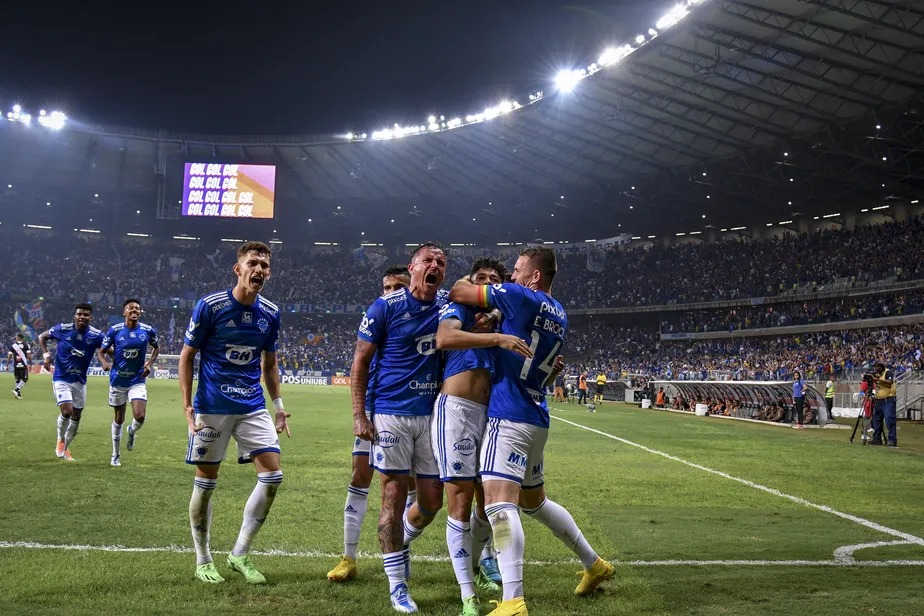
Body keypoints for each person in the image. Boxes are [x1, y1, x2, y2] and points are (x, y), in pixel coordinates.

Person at [450, 246, 614, 616]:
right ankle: (594, 564)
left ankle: (513, 600)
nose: (512, 275)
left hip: (509, 415)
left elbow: (459, 291)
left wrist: (484, 291)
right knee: (534, 502)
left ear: (535, 275)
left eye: (518, 269)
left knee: (498, 504)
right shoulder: (560, 313)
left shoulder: (519, 295)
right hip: (537, 414)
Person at [180, 241, 290, 585]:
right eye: (253, 263)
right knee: (206, 483)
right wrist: (188, 407)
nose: (259, 270)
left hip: (251, 404)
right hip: (212, 406)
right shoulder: (210, 306)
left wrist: (279, 406)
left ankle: (239, 553)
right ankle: (203, 559)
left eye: (264, 265)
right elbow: (187, 357)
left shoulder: (270, 312)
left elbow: (269, 364)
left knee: (273, 476)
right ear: (238, 268)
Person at [351, 242, 449, 613]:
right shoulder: (385, 307)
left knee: (432, 502)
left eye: (441, 262)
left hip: (431, 415)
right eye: (428, 260)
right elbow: (361, 362)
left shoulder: (448, 307)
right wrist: (360, 415)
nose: (435, 265)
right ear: (412, 267)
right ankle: (397, 585)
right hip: (391, 413)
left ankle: (400, 542)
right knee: (392, 494)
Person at [434, 257, 529, 615]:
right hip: (456, 411)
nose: (487, 282)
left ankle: (481, 564)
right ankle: (467, 596)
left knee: (488, 504)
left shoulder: (501, 316)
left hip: (491, 415)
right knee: (458, 503)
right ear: (472, 282)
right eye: (482, 278)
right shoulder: (460, 307)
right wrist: (496, 336)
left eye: (494, 279)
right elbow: (444, 338)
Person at [328, 266, 413, 583]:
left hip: (409, 413)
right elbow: (360, 365)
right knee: (360, 475)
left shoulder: (419, 320)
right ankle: (348, 558)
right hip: (375, 410)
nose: (390, 292)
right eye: (386, 287)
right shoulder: (376, 320)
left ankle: (402, 551)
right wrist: (359, 414)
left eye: (398, 287)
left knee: (409, 487)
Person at [96, 298, 160, 467]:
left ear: (140, 313)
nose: (134, 310)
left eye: (137, 308)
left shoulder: (147, 330)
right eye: (131, 308)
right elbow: (101, 352)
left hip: (137, 380)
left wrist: (149, 364)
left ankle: (132, 431)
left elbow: (156, 347)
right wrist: (104, 362)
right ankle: (115, 454)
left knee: (140, 416)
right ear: (124, 312)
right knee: (119, 418)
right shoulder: (115, 330)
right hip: (118, 380)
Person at [39, 303, 105, 462]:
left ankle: (65, 448)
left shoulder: (96, 335)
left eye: (86, 315)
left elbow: (107, 348)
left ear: (91, 318)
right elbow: (42, 337)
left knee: (76, 416)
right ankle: (60, 439)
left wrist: (111, 360)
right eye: (79, 314)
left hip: (80, 382)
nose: (82, 317)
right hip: (61, 378)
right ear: (75, 316)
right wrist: (46, 356)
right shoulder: (63, 329)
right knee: (67, 412)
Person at [870, 362, 897, 447]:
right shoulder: (878, 375)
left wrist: (877, 380)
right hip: (879, 400)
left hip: (888, 400)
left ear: (882, 367)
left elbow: (889, 382)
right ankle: (877, 439)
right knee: (876, 420)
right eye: (875, 367)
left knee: (889, 420)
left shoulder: (888, 372)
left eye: (877, 367)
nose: (876, 369)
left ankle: (892, 439)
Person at [9, 333, 32, 399]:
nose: (16, 338)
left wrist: (7, 365)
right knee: (25, 378)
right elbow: (29, 356)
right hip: (23, 364)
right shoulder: (26, 345)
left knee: (18, 379)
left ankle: (18, 395)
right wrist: (30, 364)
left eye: (16, 337)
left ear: (19, 338)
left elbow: (9, 355)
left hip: (16, 365)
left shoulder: (13, 345)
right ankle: (16, 390)